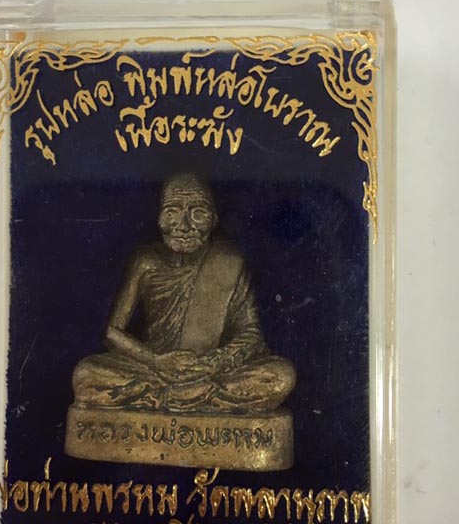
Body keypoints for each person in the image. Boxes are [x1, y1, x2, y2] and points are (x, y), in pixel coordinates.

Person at [72, 172, 296, 413]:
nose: (185, 225)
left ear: (214, 219)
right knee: (85, 374)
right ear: (159, 219)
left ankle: (163, 398)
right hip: (154, 368)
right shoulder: (145, 261)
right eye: (172, 212)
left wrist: (215, 361)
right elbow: (112, 333)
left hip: (209, 369)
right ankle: (196, 398)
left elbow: (251, 332)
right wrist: (156, 361)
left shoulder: (230, 262)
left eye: (198, 212)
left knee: (280, 376)